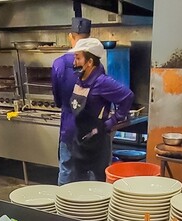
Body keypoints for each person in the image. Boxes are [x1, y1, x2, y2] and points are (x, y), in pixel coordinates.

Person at [62, 38, 134, 183]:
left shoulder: (102, 82)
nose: (74, 62)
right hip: (80, 142)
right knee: (79, 184)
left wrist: (114, 120)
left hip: (97, 144)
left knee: (97, 186)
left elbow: (128, 96)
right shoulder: (80, 79)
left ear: (89, 62)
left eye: (78, 58)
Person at [52, 17, 99, 185]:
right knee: (90, 169)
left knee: (66, 167)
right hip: (90, 129)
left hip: (69, 126)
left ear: (70, 37)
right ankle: (91, 207)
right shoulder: (96, 65)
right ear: (89, 37)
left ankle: (63, 208)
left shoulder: (58, 64)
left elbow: (58, 100)